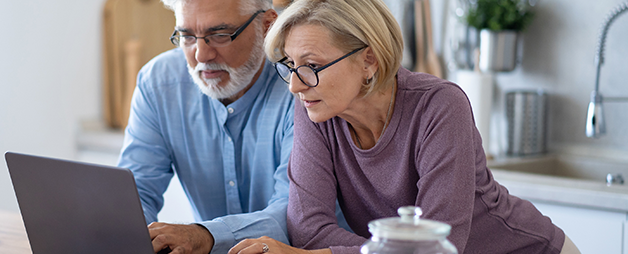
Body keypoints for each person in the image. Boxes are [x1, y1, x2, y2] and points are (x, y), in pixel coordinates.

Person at [229, 0, 582, 253]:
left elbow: (439, 244)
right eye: (291, 65)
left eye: (311, 65)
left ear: (368, 59)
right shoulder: (314, 109)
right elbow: (308, 230)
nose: (295, 84)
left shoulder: (439, 105)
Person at [116, 0, 295, 253]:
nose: (201, 55)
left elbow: (292, 216)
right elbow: (135, 194)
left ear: (267, 26)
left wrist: (205, 235)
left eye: (220, 35)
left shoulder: (300, 86)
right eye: (187, 36)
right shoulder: (158, 83)